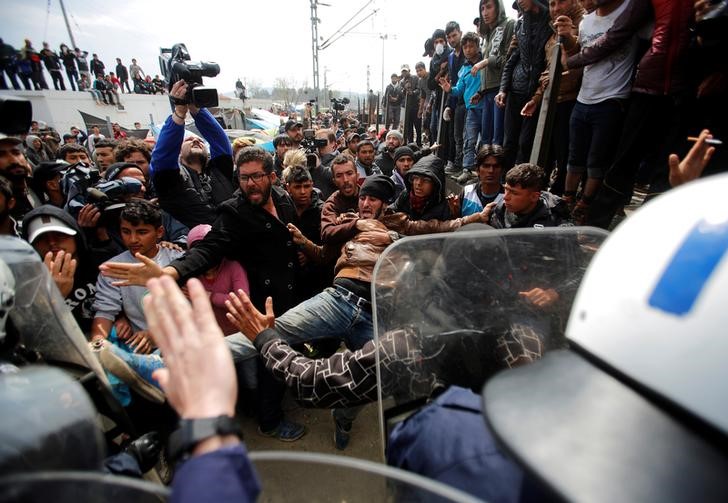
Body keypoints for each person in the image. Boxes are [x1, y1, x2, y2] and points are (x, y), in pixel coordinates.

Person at [149, 79, 235, 228]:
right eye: (189, 139)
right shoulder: (170, 179)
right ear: (178, 152)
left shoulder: (220, 170)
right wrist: (180, 112)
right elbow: (163, 157)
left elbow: (220, 142)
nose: (196, 141)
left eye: (200, 141)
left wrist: (197, 109)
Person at [495, 0, 552, 172]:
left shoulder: (550, 22)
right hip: (515, 90)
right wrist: (503, 89)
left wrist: (537, 94)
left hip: (536, 91)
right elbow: (511, 61)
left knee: (525, 143)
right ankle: (506, 182)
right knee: (509, 141)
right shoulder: (520, 26)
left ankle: (519, 182)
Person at [440, 32, 485, 185]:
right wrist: (449, 89)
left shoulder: (485, 64)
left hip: (486, 107)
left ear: (478, 47)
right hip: (471, 109)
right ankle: (467, 170)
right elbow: (459, 90)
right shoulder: (464, 69)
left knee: (485, 140)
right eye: (465, 47)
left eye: (471, 46)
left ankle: (482, 170)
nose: (468, 50)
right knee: (468, 139)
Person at [472, 0, 516, 156]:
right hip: (487, 92)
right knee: (486, 139)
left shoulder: (509, 25)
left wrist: (486, 61)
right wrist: (480, 91)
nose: (485, 12)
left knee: (498, 139)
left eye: (489, 7)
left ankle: (500, 175)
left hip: (501, 90)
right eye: (482, 8)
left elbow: (509, 59)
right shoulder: (487, 35)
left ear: (498, 8)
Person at [488, 163, 571, 228]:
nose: (505, 197)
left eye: (514, 193)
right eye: (506, 189)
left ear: (534, 197)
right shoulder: (499, 210)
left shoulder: (555, 221)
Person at [389, 155, 452, 221]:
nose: (418, 183)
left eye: (426, 180)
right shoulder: (406, 195)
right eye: (415, 178)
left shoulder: (443, 209)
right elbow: (393, 208)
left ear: (435, 184)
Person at [456, 145, 505, 217]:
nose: (491, 171)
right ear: (477, 170)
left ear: (502, 171)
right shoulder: (467, 193)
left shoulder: (507, 198)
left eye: (496, 166)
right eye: (486, 166)